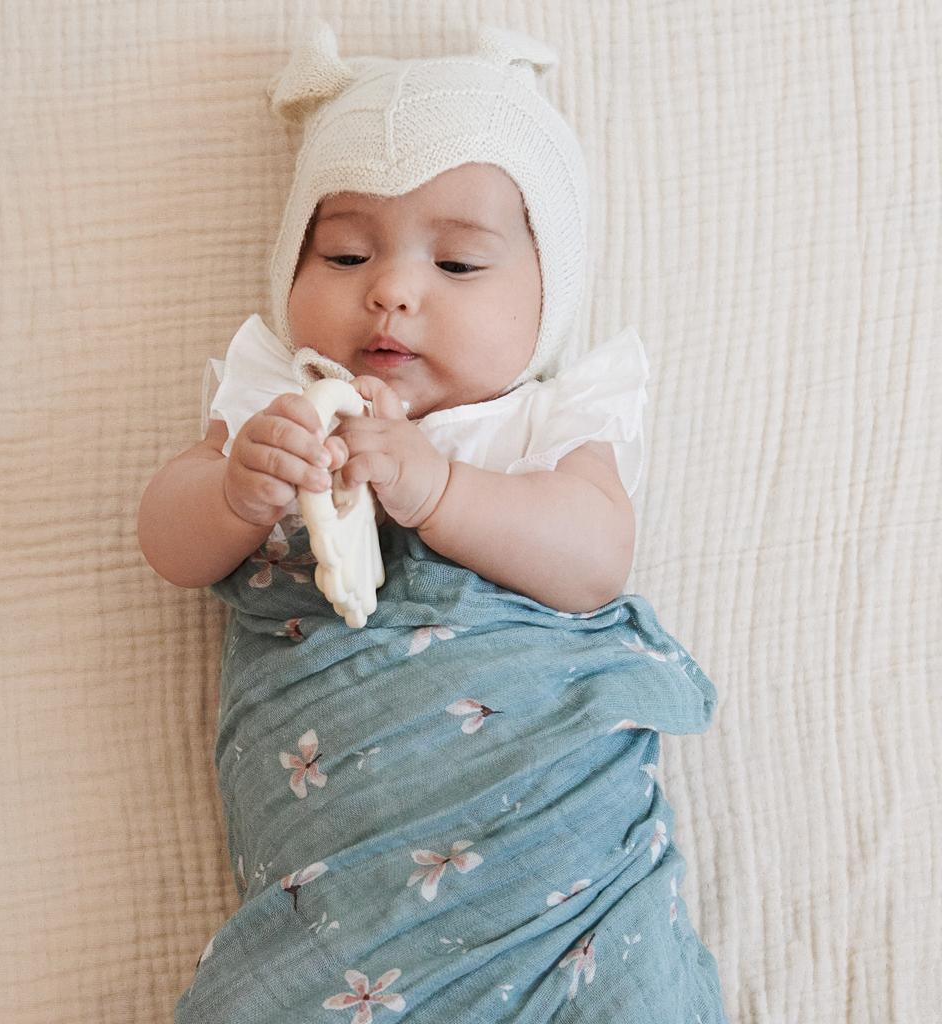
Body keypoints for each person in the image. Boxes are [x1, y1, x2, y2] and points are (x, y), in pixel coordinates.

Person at [139, 24, 729, 1023]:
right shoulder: (275, 404)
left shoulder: (542, 418)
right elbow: (168, 544)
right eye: (346, 251)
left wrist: (437, 490)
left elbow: (594, 559)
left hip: (555, 867)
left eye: (458, 265)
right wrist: (236, 492)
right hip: (338, 896)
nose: (393, 288)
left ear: (546, 301)